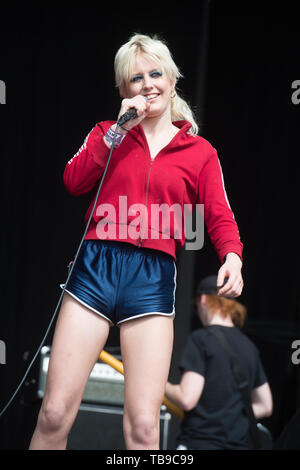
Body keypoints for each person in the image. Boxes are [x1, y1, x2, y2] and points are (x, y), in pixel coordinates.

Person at [29, 33, 244, 450]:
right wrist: (114, 134)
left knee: (145, 427)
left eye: (155, 73)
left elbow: (220, 213)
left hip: (152, 276)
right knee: (54, 413)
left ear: (172, 78)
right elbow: (73, 181)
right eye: (135, 78)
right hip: (96, 266)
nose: (147, 83)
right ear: (124, 90)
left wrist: (232, 256)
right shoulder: (107, 134)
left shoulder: (200, 152)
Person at [165, 275, 273, 450]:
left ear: (203, 300)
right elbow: (266, 405)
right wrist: (232, 415)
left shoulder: (200, 339)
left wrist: (160, 385)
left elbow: (187, 398)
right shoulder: (249, 347)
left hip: (198, 444)